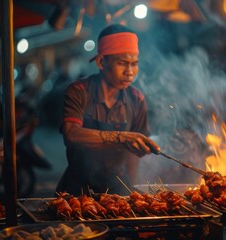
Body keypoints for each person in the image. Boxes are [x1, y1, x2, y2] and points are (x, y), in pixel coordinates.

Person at [56, 24, 161, 196]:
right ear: (101, 62)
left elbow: (133, 156)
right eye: (122, 63)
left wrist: (132, 194)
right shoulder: (79, 91)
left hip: (118, 189)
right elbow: (71, 134)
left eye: (134, 64)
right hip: (76, 190)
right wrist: (121, 137)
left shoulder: (136, 99)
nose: (130, 72)